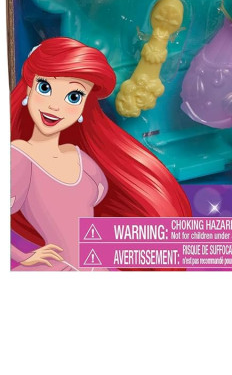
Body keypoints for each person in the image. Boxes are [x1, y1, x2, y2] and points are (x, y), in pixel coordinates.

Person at [11, 37, 191, 270]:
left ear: (84, 106)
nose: (55, 106)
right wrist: (22, 256)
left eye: (73, 97)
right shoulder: (21, 157)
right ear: (28, 88)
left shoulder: (84, 161)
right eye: (45, 88)